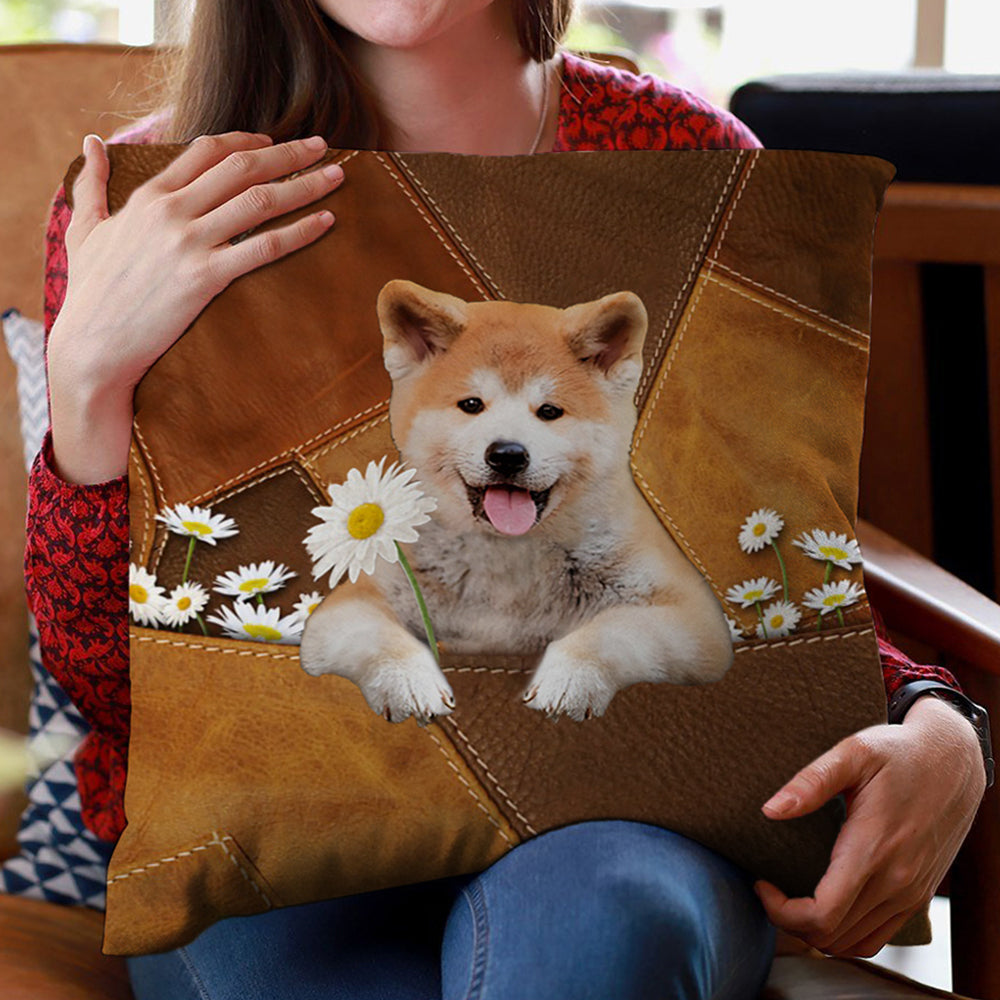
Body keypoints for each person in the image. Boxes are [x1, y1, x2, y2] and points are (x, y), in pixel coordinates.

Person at [24, 1, 987, 997]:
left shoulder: (691, 165)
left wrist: (935, 713)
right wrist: (89, 382)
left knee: (600, 924)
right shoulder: (155, 206)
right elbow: (106, 678)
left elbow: (757, 555)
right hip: (274, 813)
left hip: (619, 812)